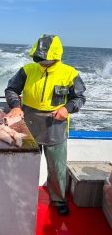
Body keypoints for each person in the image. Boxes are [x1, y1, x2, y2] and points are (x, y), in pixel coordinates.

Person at [5, 34, 86, 216]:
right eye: (38, 59)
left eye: (45, 59)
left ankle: (58, 200)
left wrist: (67, 108)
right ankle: (22, 198)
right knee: (25, 165)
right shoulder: (27, 70)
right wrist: (16, 106)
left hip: (55, 125)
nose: (41, 62)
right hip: (28, 124)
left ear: (56, 56)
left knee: (57, 168)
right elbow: (11, 89)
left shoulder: (70, 73)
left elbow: (79, 97)